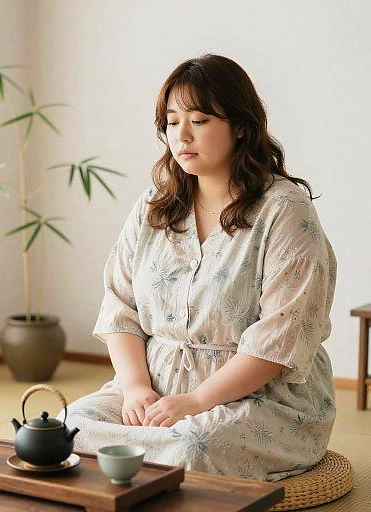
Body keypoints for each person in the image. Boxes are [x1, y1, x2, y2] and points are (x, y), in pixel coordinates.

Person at [61, 54, 337, 482]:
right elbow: (120, 307)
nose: (181, 135)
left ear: (241, 126)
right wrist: (135, 387)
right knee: (65, 430)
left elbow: (282, 334)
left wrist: (197, 401)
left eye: (200, 120)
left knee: (190, 450)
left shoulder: (284, 210)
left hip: (261, 398)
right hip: (153, 390)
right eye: (172, 121)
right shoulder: (155, 206)